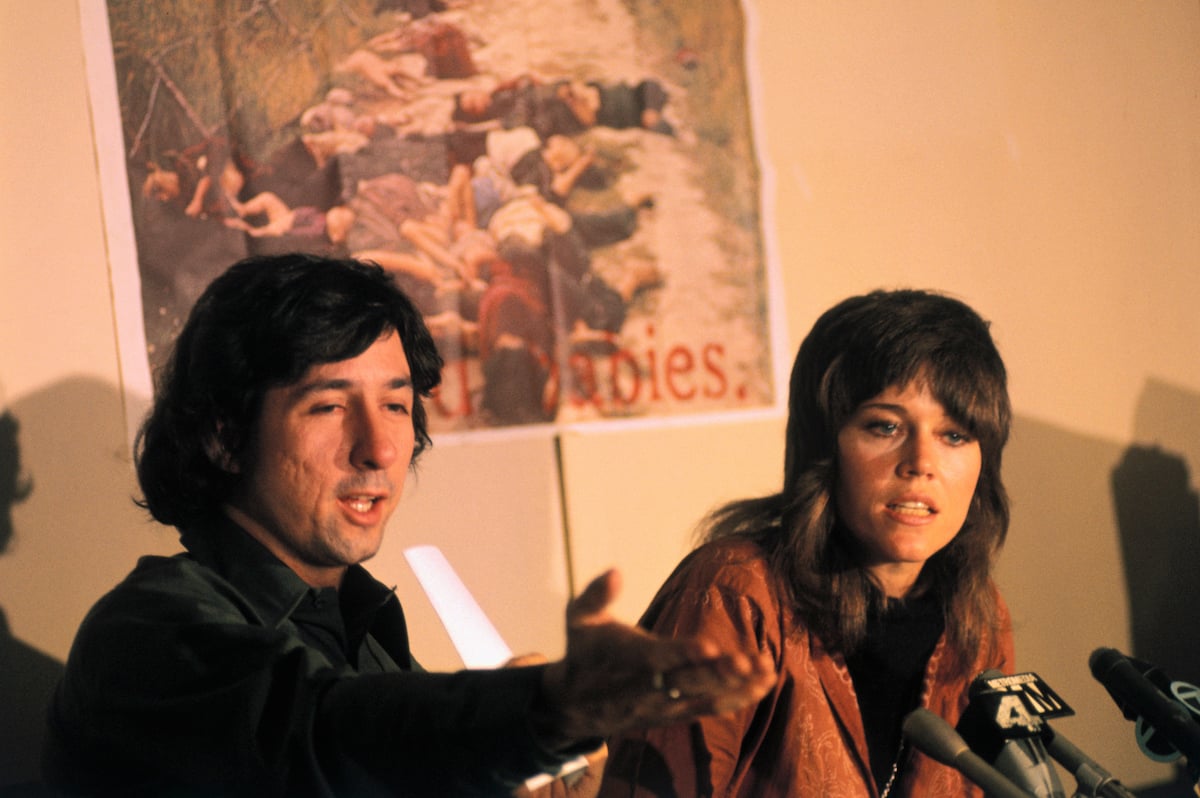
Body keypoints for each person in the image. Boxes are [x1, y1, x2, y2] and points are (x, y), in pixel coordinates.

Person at [41, 253, 775, 797]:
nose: (382, 448)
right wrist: (549, 710)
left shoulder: (363, 630)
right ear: (225, 437)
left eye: (396, 404)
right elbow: (326, 737)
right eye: (328, 405)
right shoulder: (145, 637)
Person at [599, 289, 1016, 797]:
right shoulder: (735, 593)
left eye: (955, 435)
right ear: (825, 446)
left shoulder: (978, 616)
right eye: (885, 426)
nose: (921, 462)